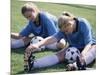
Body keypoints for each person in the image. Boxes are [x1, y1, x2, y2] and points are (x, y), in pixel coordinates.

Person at [24, 11, 96, 71]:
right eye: (63, 32)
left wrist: (83, 53)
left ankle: (74, 66)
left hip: (90, 45)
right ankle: (33, 64)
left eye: (66, 31)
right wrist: (37, 44)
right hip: (74, 46)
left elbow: (88, 42)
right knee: (60, 55)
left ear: (70, 24)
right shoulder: (64, 29)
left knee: (94, 49)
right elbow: (52, 38)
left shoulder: (83, 23)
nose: (65, 33)